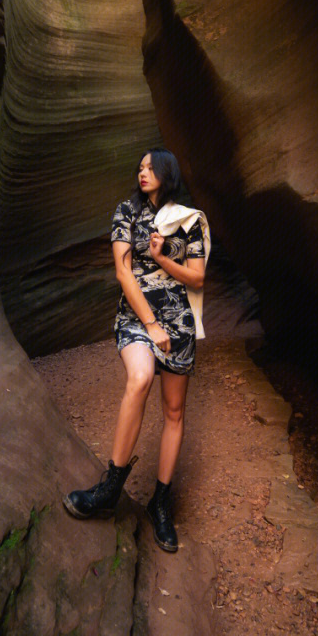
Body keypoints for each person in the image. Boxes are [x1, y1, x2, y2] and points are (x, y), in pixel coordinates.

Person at [63, 149, 210, 552]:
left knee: (175, 413)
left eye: (150, 167)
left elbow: (197, 279)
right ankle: (110, 489)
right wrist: (149, 325)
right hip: (138, 318)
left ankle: (160, 503)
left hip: (179, 324)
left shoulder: (189, 220)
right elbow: (123, 271)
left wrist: (163, 256)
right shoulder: (126, 211)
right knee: (141, 376)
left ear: (168, 173)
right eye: (140, 168)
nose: (142, 173)